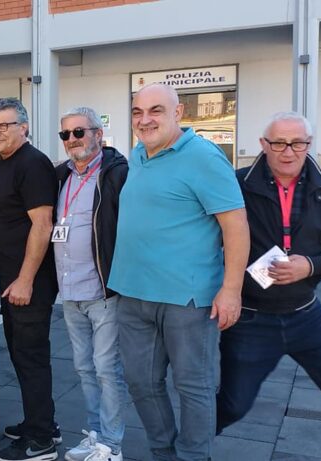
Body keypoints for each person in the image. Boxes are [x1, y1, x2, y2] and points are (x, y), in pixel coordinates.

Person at [217, 112, 321, 459]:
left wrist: (311, 265)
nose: (288, 151)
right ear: (264, 145)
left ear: (309, 145)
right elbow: (207, 239)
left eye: (298, 143)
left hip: (307, 318)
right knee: (231, 407)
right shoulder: (236, 184)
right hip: (251, 320)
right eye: (278, 142)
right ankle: (184, 449)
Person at [108, 83, 249, 461]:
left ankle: (193, 456)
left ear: (178, 113)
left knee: (194, 387)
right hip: (133, 293)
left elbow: (235, 225)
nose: (145, 119)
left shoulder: (203, 157)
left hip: (187, 298)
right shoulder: (138, 154)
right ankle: (163, 452)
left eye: (155, 110)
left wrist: (231, 289)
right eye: (138, 112)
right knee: (140, 382)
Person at [0, 97, 61, 461]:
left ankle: (41, 440)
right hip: (12, 278)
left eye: (4, 126)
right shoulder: (8, 163)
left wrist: (27, 279)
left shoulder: (32, 163)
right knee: (20, 354)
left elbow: (42, 225)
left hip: (29, 281)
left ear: (23, 127)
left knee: (30, 357)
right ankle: (40, 422)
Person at [53, 107, 129, 461]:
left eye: (79, 133)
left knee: (106, 369)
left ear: (98, 134)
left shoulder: (116, 175)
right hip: (70, 293)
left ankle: (112, 444)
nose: (72, 141)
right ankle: (95, 433)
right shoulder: (60, 177)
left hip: (103, 291)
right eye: (65, 135)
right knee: (83, 368)